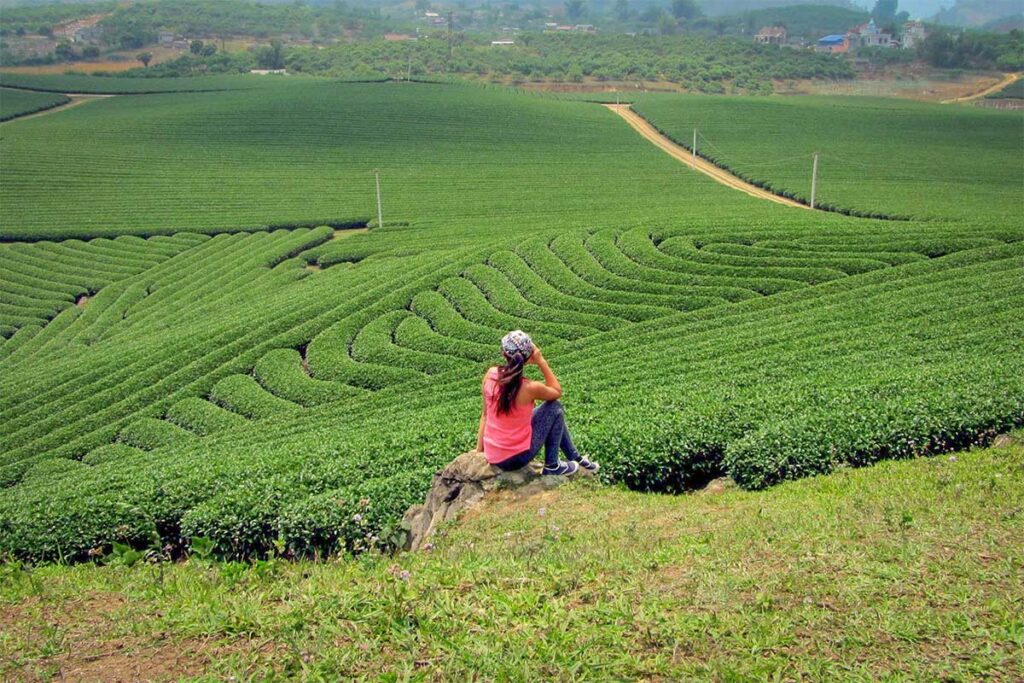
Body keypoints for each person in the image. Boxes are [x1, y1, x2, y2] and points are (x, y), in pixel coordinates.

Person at [475, 330, 598, 476]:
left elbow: (485, 415)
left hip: (493, 454)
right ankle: (552, 465)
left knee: (547, 412)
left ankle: (574, 457)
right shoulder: (529, 388)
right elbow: (557, 392)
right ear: (527, 358)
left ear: (504, 354)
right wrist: (540, 360)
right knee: (554, 408)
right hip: (516, 459)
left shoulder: (490, 374)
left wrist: (479, 451)